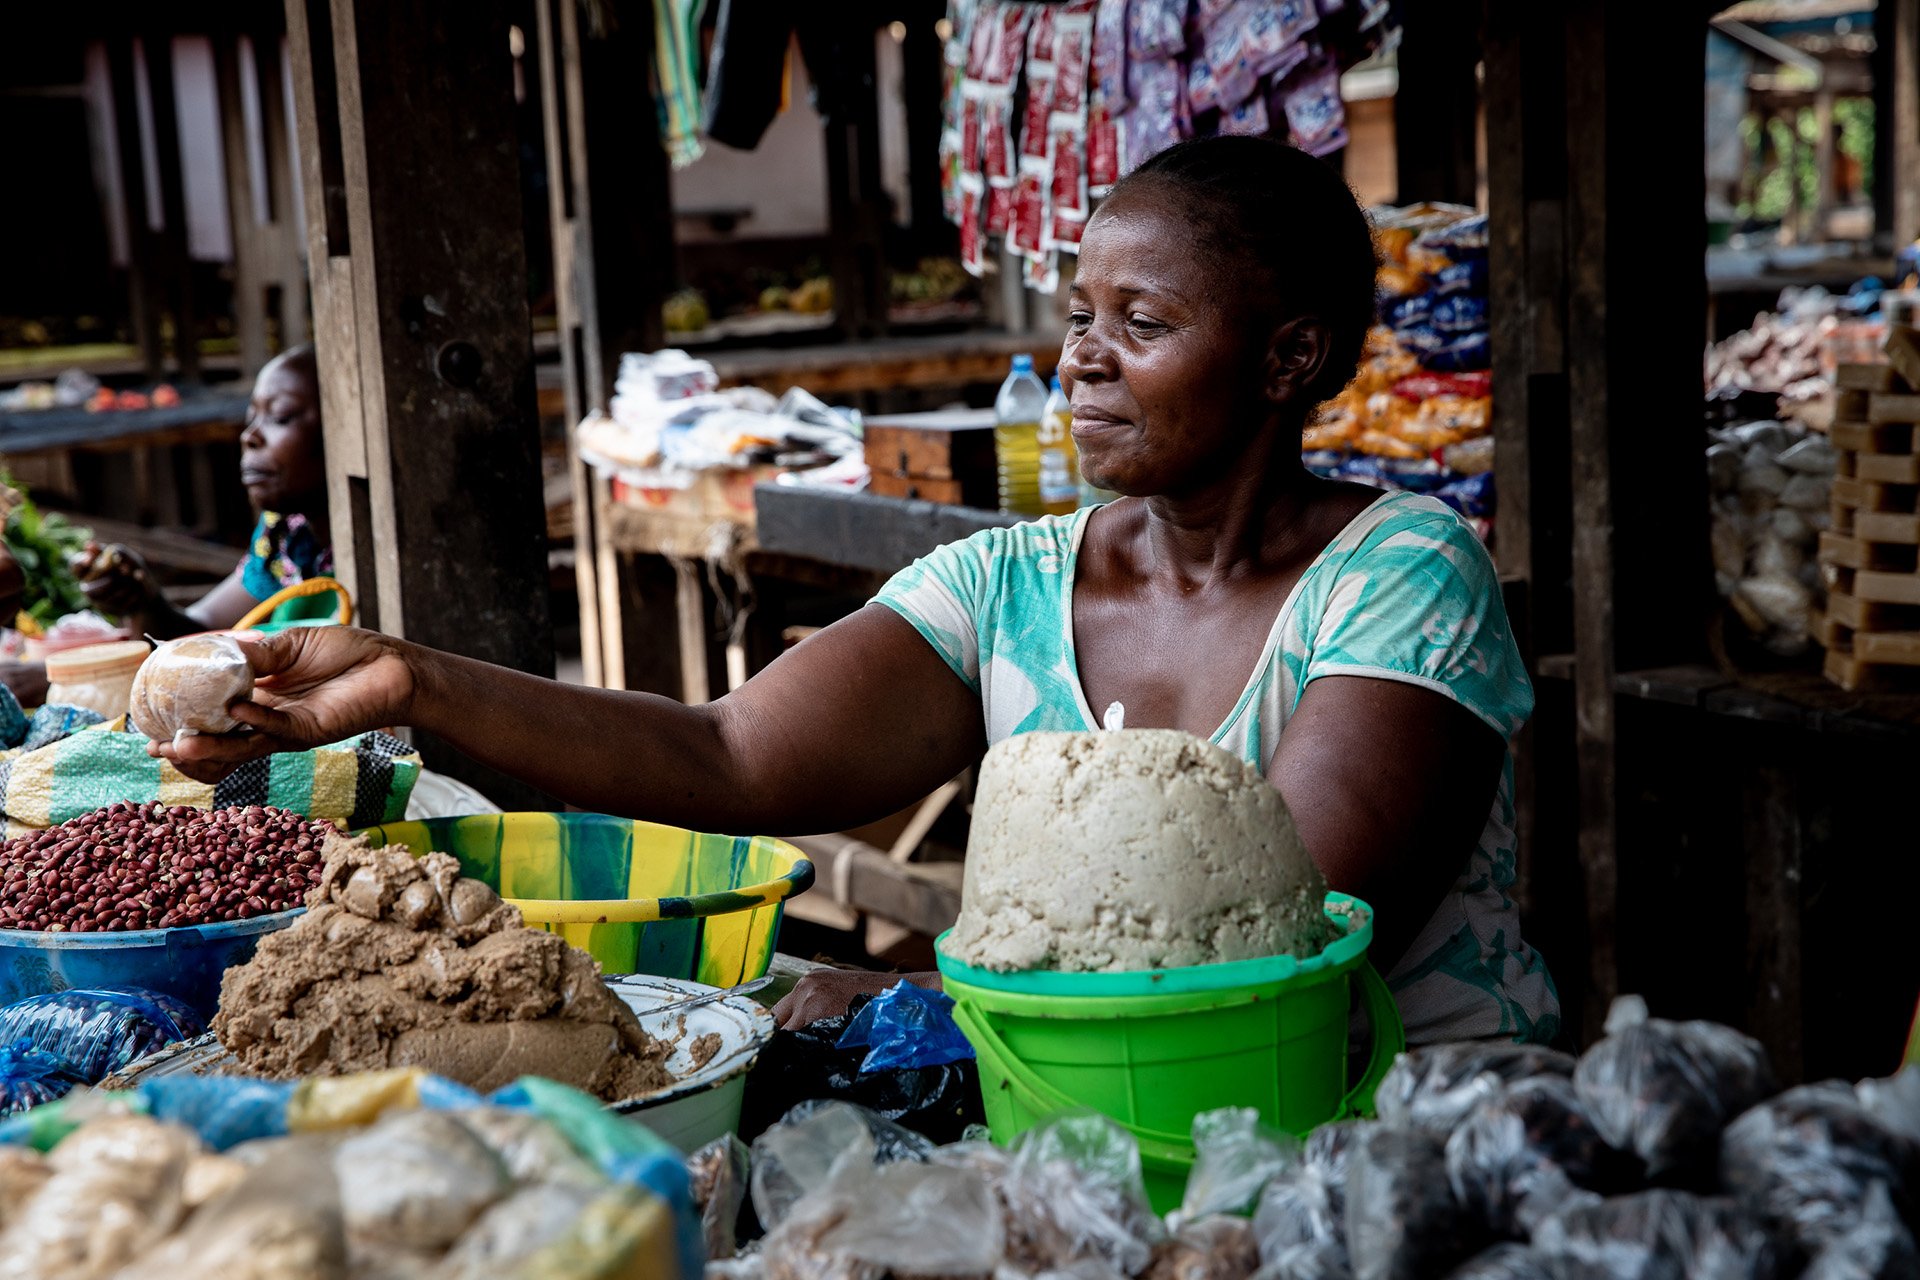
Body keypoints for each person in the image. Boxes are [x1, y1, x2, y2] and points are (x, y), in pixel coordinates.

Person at [156, 138, 1558, 1047]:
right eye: (1080, 314)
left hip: (1402, 1130)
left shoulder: (1400, 577)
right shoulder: (1009, 583)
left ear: (1289, 358)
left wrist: (922, 995)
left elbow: (1269, 939)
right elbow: (733, 751)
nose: (1082, 357)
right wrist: (414, 679)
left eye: (1144, 324)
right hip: (1083, 1111)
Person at [74, 344, 333, 639]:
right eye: (251, 418)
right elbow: (201, 627)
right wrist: (145, 600)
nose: (250, 436)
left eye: (280, 416)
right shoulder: (285, 534)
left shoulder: (382, 546)